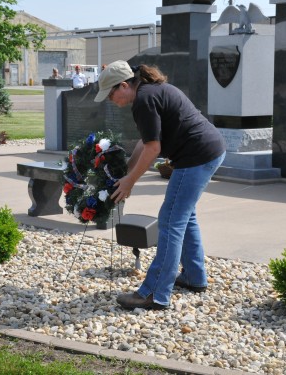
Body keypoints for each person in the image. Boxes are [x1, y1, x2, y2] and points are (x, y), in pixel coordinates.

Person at [94, 60, 226, 310]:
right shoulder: (149, 92)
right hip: (208, 151)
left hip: (196, 157)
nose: (111, 99)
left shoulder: (144, 100)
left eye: (111, 93)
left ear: (124, 85)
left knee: (170, 220)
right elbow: (146, 143)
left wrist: (130, 182)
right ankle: (193, 277)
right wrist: (127, 171)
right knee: (184, 216)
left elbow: (153, 148)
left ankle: (155, 293)